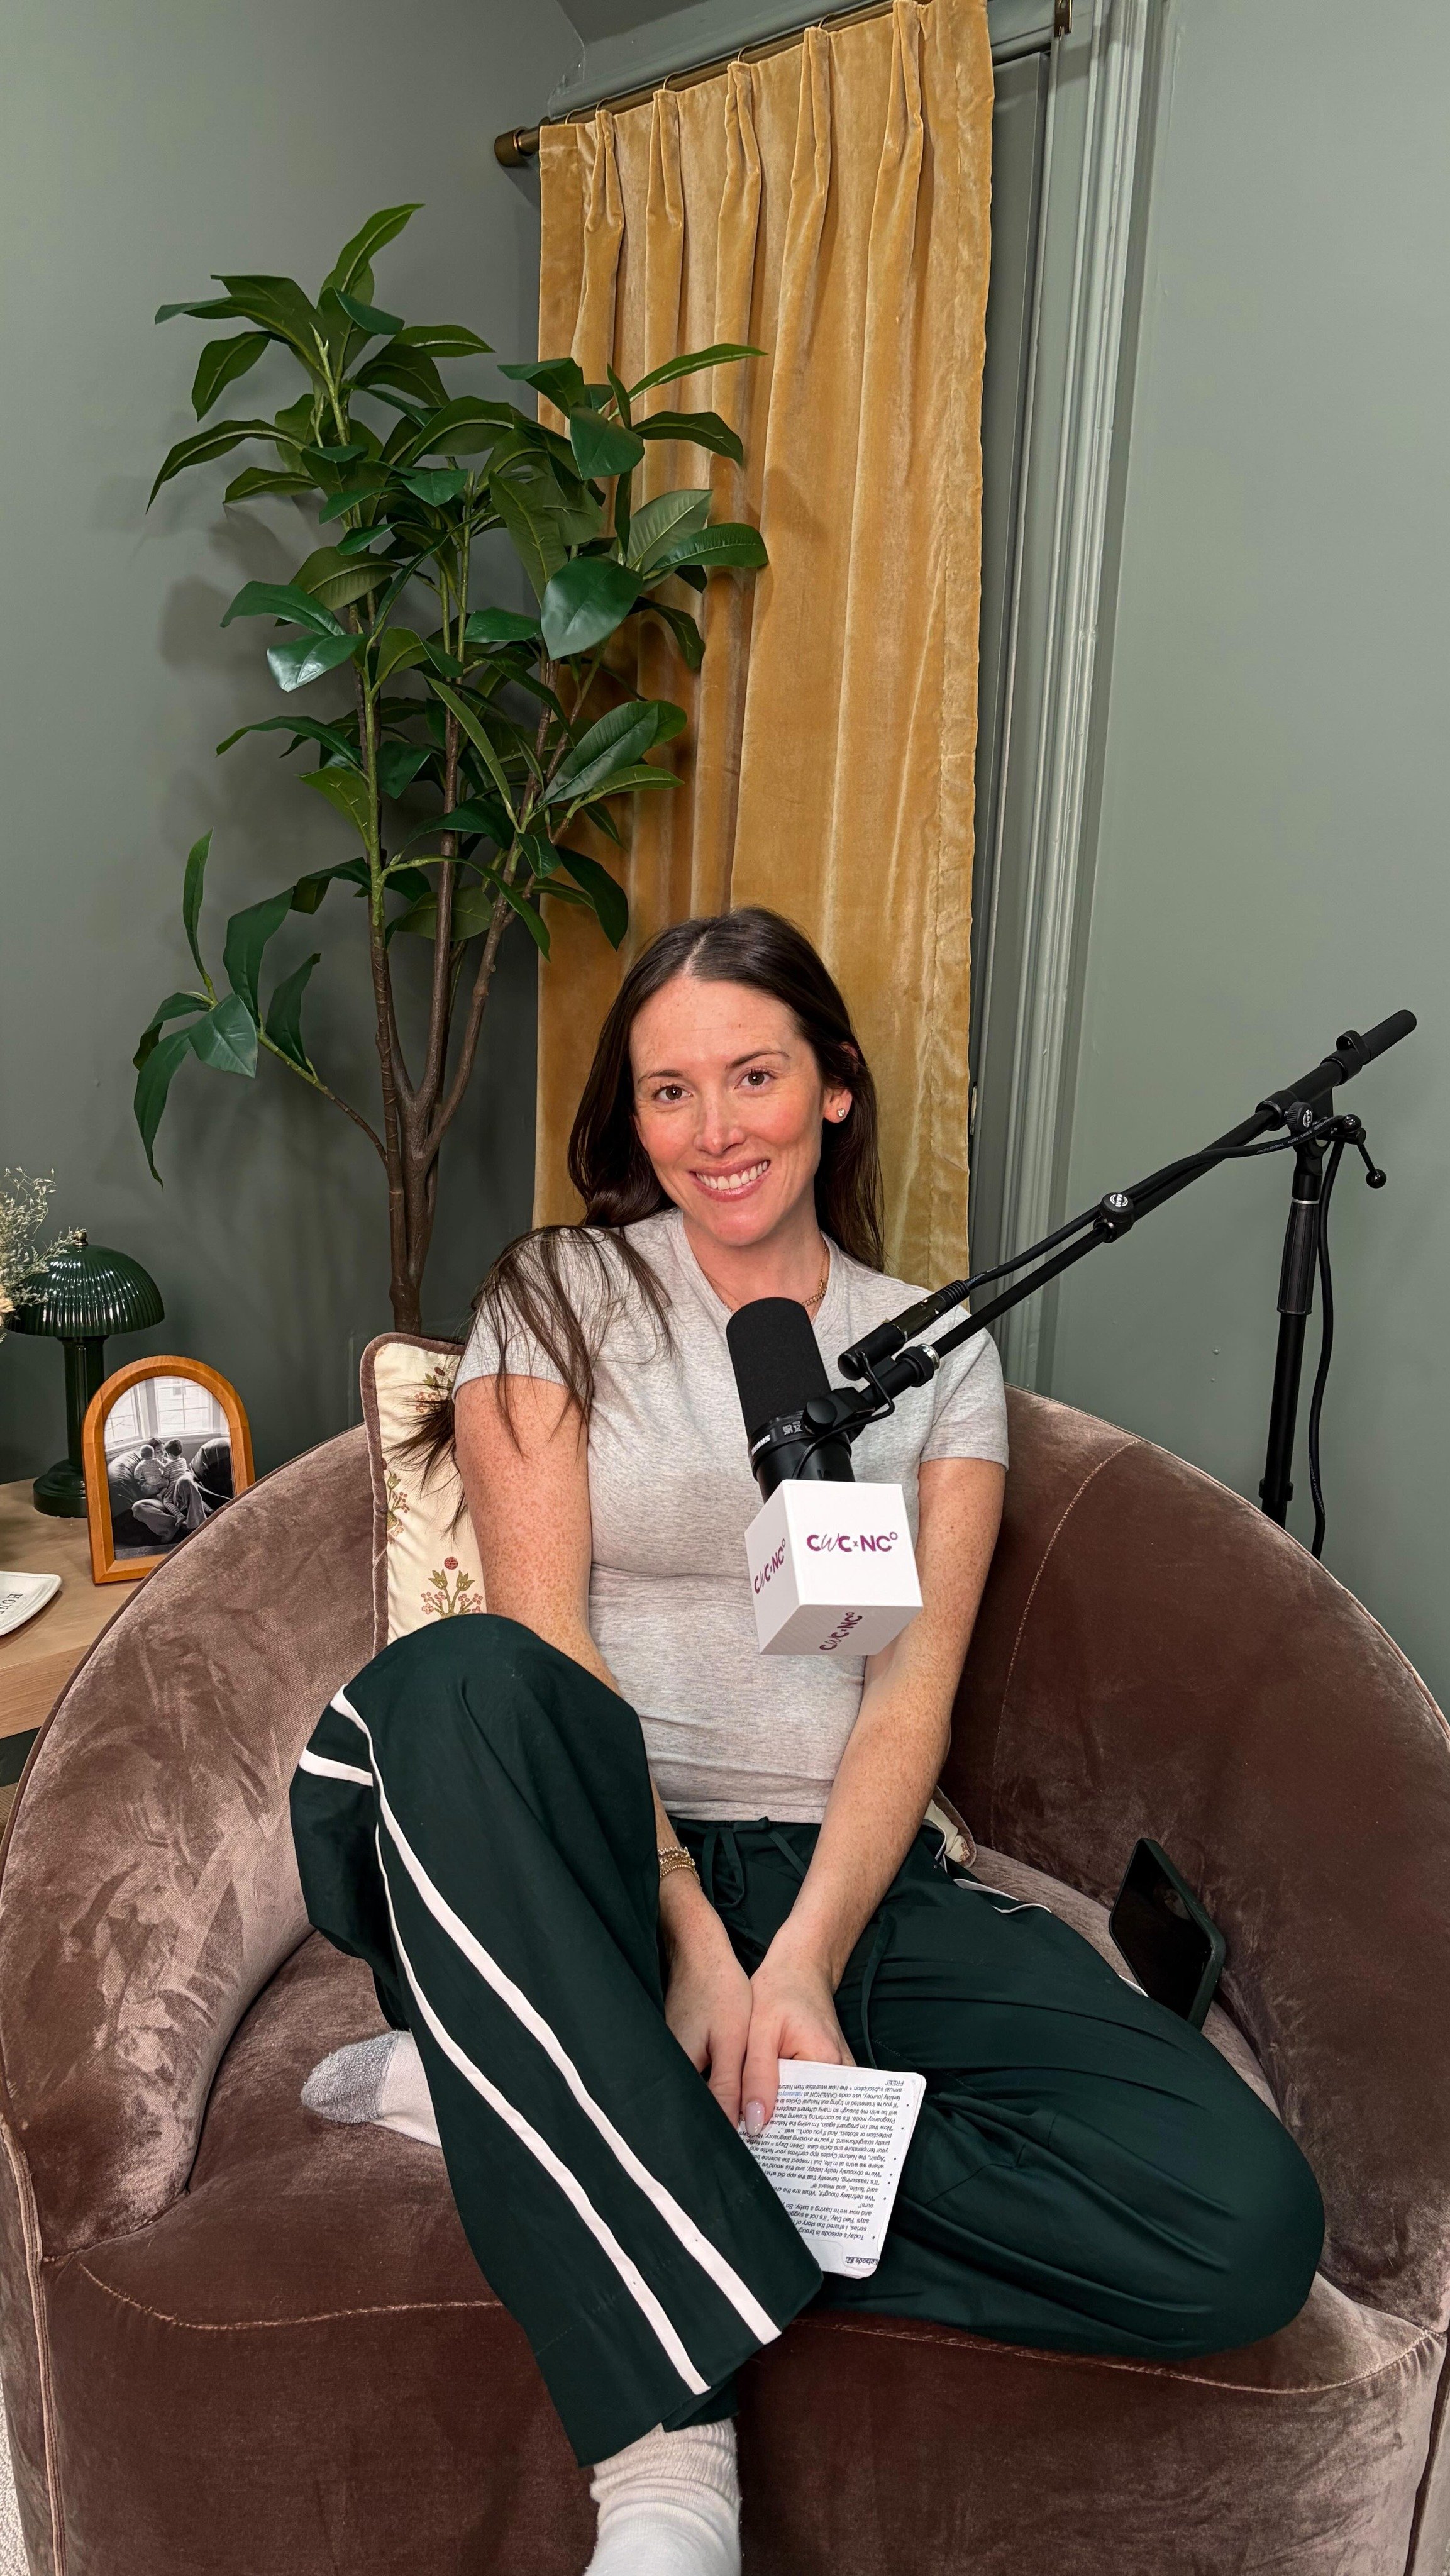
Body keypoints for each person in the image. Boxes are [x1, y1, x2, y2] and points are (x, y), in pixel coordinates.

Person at [291, 909, 1323, 2576]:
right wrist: (694, 1946)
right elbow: (548, 1647)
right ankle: (667, 2461)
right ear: (632, 1119)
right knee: (456, 1680)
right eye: (669, 1092)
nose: (716, 1130)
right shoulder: (558, 1296)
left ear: (833, 1088)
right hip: (575, 1862)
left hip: (850, 1871)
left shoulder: (938, 1347)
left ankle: (533, 2114)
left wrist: (805, 1964)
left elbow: (908, 1695)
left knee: (1239, 2226)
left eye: (754, 1076)